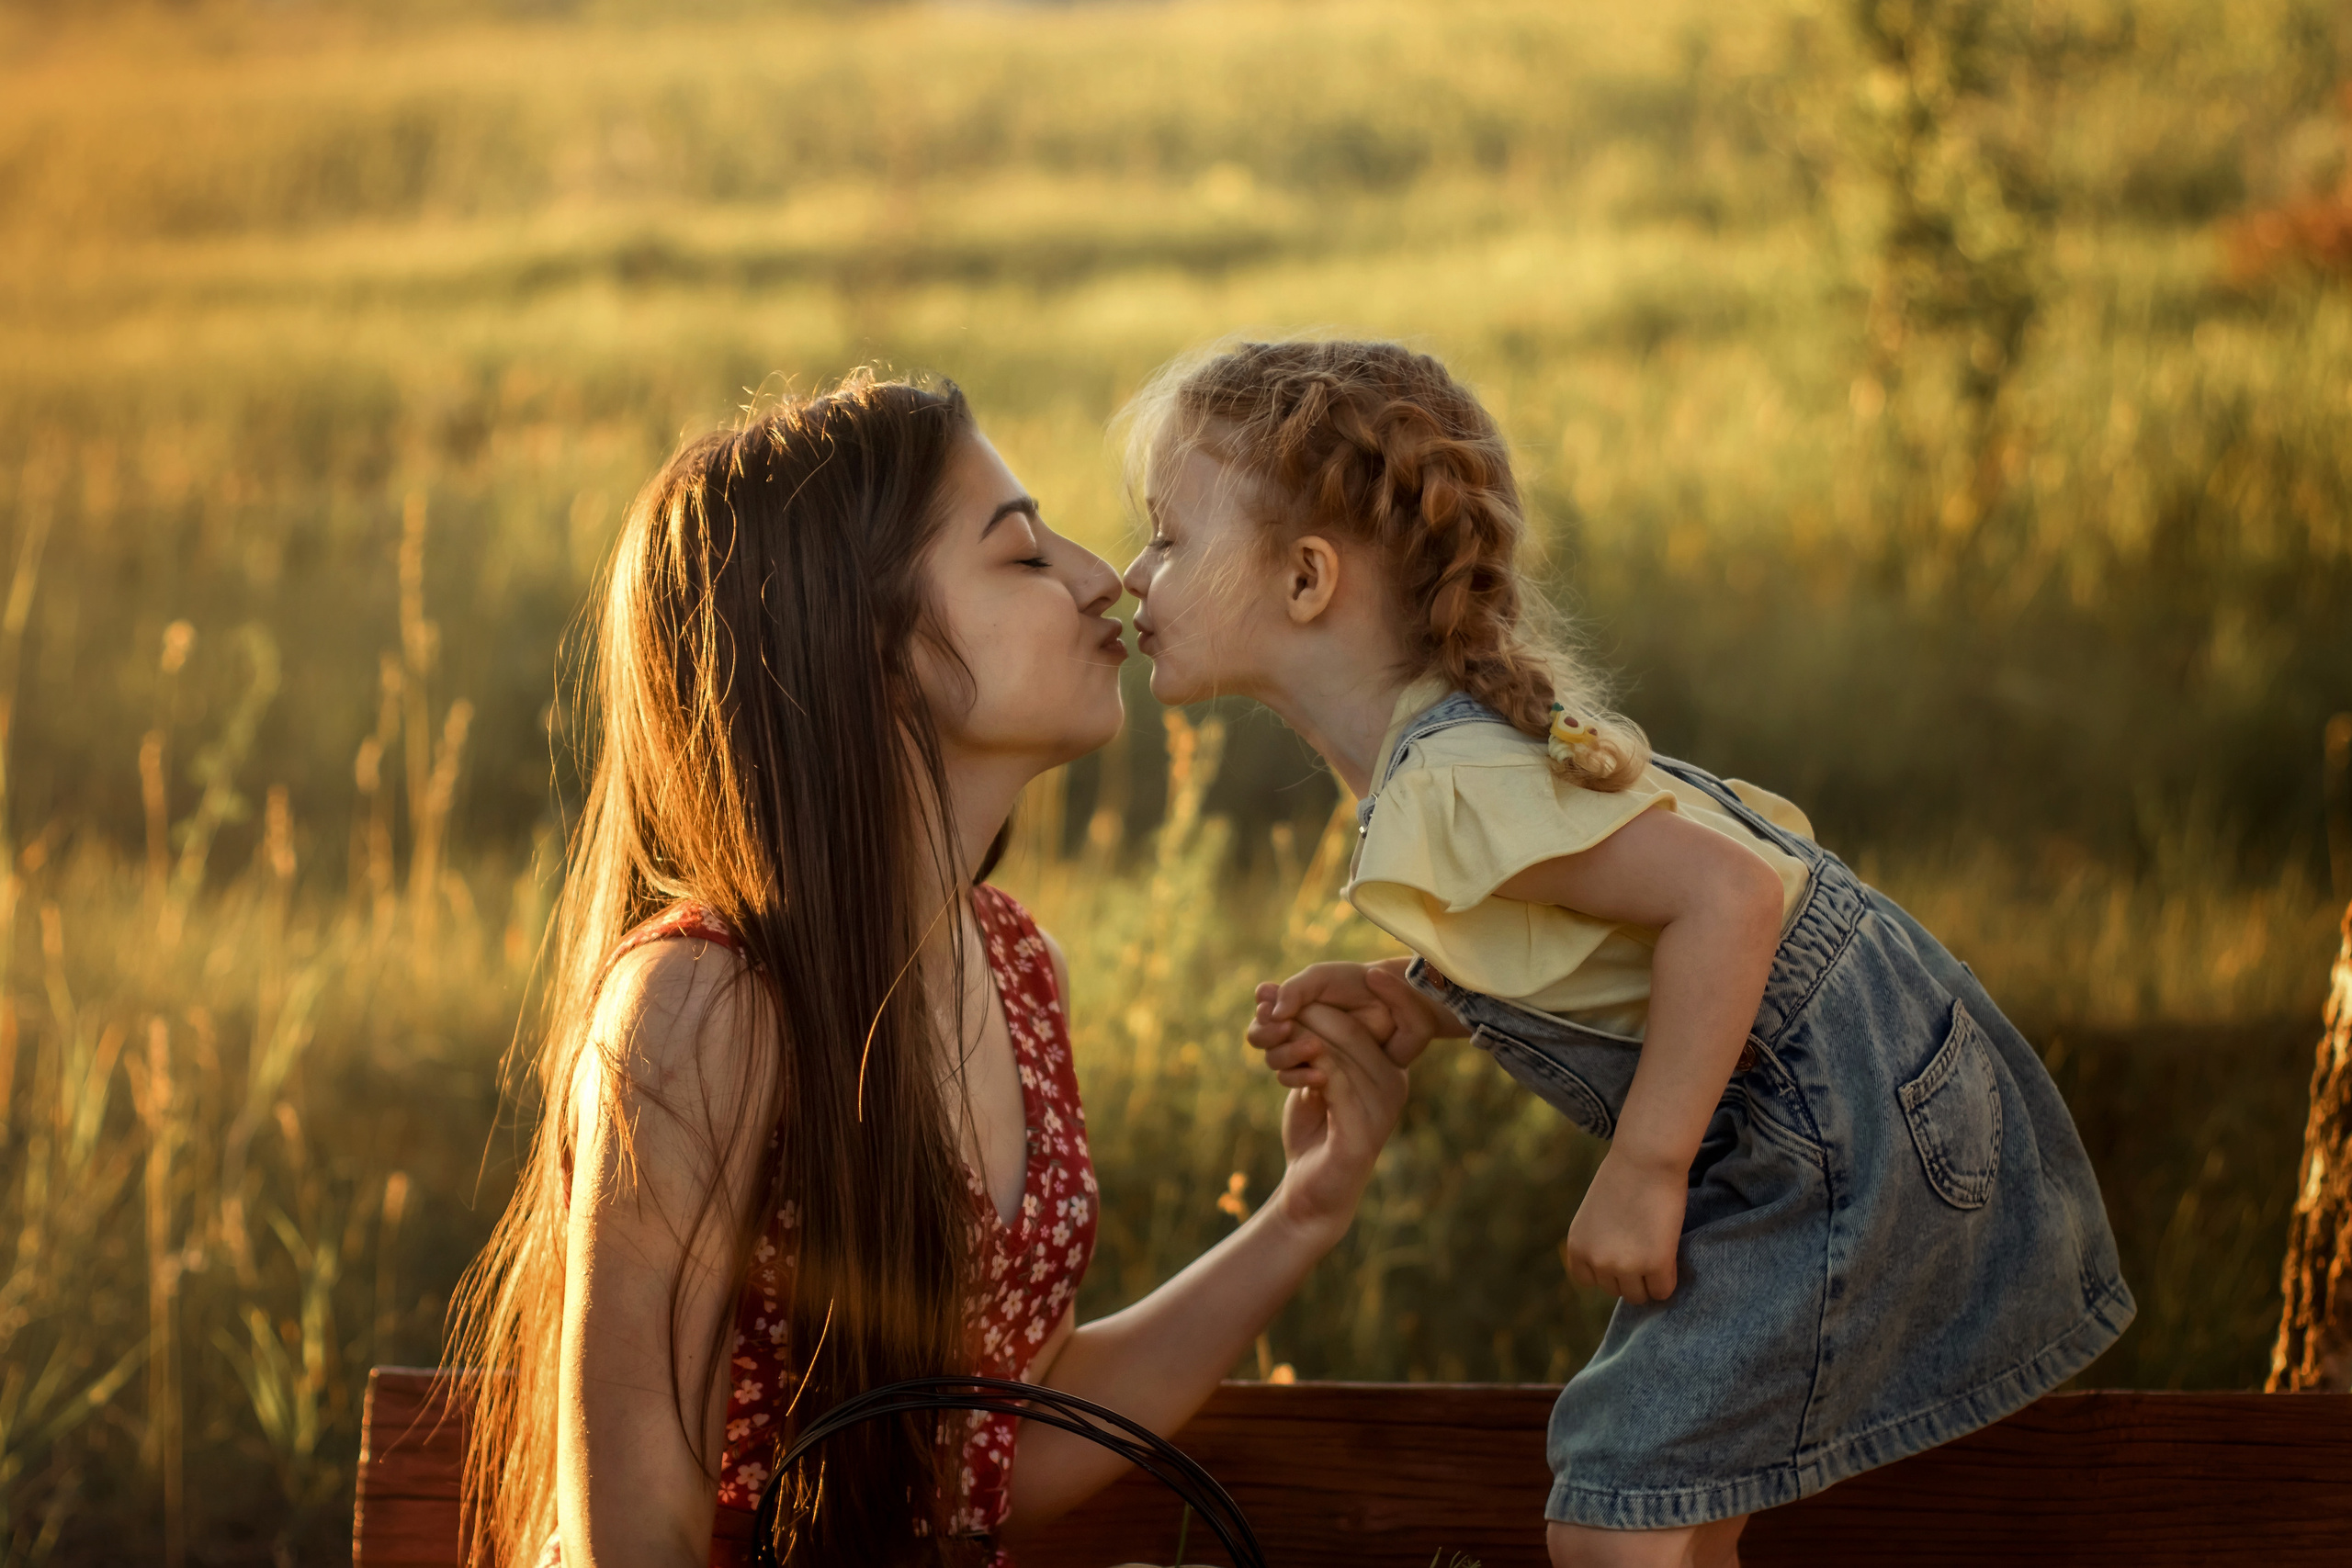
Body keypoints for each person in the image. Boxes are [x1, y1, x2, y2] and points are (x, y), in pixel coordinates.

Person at [1116, 337, 2135, 1568]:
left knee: (1616, 1501)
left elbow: (1730, 895)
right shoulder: (1456, 749)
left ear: (1306, 581)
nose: (1133, 573)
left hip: (1841, 1123)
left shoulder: (1451, 779)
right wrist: (1429, 999)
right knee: (1669, 1504)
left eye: (1166, 537)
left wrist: (1648, 1168)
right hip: (1862, 1095)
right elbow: (1603, 922)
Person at [448, 371, 1411, 1568]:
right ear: (870, 642)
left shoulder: (1017, 968)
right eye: (1019, 556)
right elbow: (631, 1524)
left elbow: (997, 1452)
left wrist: (1303, 1213)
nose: (1102, 577)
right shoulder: (704, 1004)